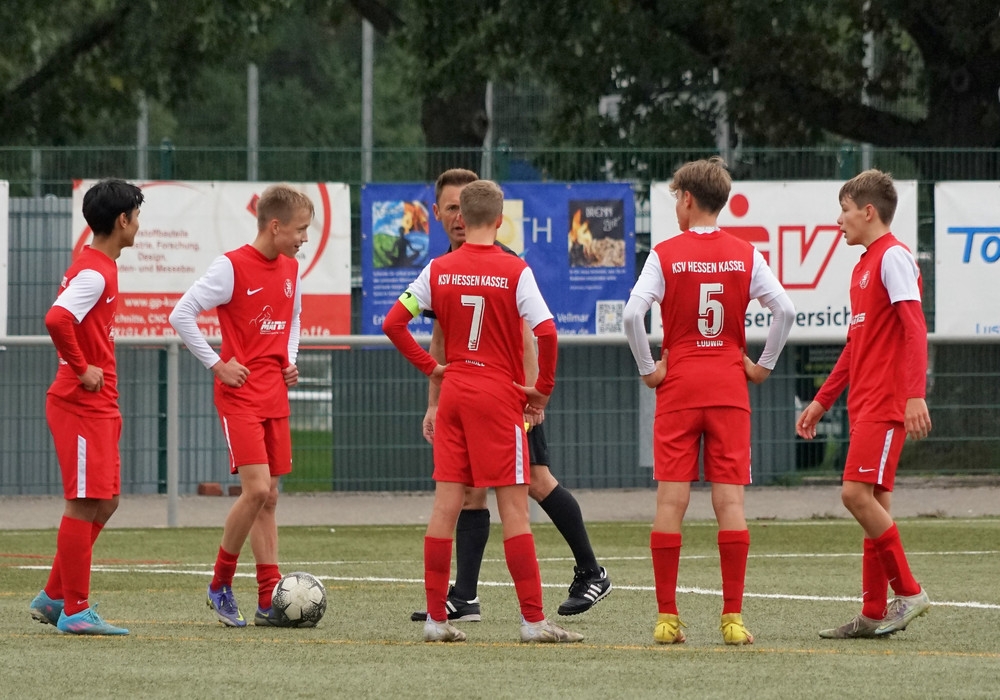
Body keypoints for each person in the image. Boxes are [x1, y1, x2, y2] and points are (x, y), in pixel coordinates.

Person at [383, 178, 582, 644]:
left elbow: (393, 323)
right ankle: (533, 621)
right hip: (497, 397)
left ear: (460, 217)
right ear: (499, 219)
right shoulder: (515, 270)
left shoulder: (437, 269)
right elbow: (547, 332)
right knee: (514, 510)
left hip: (454, 393)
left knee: (445, 507)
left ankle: (436, 620)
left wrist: (432, 368)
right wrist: (542, 391)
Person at [624, 156, 794, 645]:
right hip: (728, 388)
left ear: (687, 199)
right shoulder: (746, 254)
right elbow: (785, 311)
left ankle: (667, 618)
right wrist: (762, 366)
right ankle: (732, 620)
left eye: (676, 198)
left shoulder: (665, 254)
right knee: (730, 502)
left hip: (679, 387)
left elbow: (632, 317)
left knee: (670, 502)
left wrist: (649, 370)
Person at [796, 169, 932, 639]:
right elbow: (856, 347)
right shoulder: (863, 266)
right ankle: (873, 612)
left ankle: (909, 592)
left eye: (845, 210)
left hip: (886, 403)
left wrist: (915, 393)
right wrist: (821, 401)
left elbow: (915, 328)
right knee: (874, 506)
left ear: (868, 211)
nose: (839, 220)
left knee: (854, 496)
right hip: (865, 403)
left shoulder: (892, 257)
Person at [169, 184, 311, 628]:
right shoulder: (230, 267)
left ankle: (268, 599)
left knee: (269, 498)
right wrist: (217, 364)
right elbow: (181, 314)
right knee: (256, 490)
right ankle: (220, 583)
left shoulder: (291, 268)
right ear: (275, 226)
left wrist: (290, 359)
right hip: (241, 395)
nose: (304, 238)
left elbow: (293, 318)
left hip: (274, 393)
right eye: (300, 230)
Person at [29, 178, 144, 635]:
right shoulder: (95, 272)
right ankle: (75, 610)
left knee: (107, 501)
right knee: (82, 503)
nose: (139, 225)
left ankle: (53, 596)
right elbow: (56, 318)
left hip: (98, 405)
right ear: (123, 220)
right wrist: (81, 368)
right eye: (137, 216)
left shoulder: (99, 266)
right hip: (79, 403)